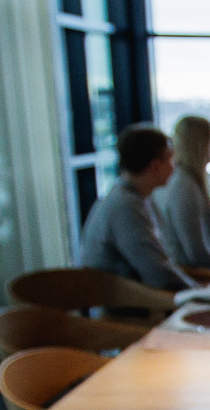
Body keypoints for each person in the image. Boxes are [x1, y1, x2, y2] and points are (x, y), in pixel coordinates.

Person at [77, 124, 197, 292]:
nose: (175, 165)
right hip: (133, 307)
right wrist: (202, 293)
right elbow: (159, 274)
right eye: (170, 159)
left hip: (142, 297)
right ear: (155, 166)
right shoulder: (126, 206)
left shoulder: (133, 196)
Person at [154, 115, 210, 281]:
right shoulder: (184, 186)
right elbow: (197, 254)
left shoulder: (196, 180)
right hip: (198, 279)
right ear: (199, 144)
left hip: (207, 274)